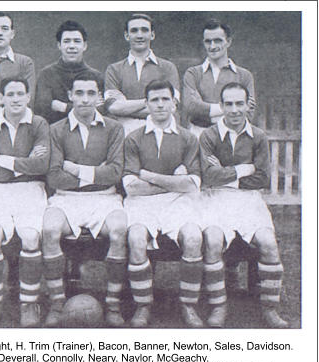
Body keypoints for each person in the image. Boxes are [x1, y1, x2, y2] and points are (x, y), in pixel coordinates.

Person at [199, 82, 288, 328]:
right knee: (214, 240)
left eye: (240, 103)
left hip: (249, 199)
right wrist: (243, 168)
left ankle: (270, 308)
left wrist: (225, 173)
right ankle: (219, 306)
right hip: (216, 198)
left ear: (248, 105)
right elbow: (207, 177)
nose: (235, 110)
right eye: (229, 104)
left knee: (269, 244)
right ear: (221, 106)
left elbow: (262, 178)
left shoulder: (258, 136)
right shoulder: (209, 135)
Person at [43, 71, 127, 327]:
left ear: (100, 98)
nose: (85, 99)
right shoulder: (55, 129)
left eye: (91, 93)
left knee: (120, 231)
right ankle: (57, 304)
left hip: (105, 198)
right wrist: (96, 172)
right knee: (48, 230)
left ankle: (113, 305)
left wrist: (75, 169)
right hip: (66, 198)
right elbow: (54, 177)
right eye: (79, 93)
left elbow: (114, 173)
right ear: (70, 96)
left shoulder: (114, 128)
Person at [122, 80, 206, 327]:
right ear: (146, 104)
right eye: (154, 100)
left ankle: (188, 305)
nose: (160, 104)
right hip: (141, 202)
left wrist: (148, 175)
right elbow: (131, 186)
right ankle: (142, 306)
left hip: (178, 202)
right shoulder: (133, 138)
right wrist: (174, 179)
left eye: (165, 99)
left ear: (174, 103)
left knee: (192, 237)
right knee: (136, 238)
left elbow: (191, 185)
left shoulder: (188, 138)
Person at [0, 77, 50, 328]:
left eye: (21, 93)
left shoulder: (39, 124)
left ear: (28, 97)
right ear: (3, 98)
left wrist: (3, 160)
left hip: (31, 190)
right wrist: (24, 164)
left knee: (31, 238)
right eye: (10, 94)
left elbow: (42, 166)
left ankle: (29, 303)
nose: (16, 98)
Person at [104, 13, 180, 135]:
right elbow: (113, 107)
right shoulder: (114, 69)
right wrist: (152, 101)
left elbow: (170, 107)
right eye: (134, 31)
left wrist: (126, 107)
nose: (139, 35)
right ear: (127, 35)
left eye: (144, 30)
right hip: (125, 133)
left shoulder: (168, 68)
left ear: (152, 34)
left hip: (160, 132)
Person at [183, 19, 256, 138]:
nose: (212, 46)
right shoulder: (193, 73)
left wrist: (204, 109)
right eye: (208, 41)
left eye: (217, 41)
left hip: (231, 136)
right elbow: (191, 108)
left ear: (228, 42)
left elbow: (248, 114)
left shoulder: (244, 75)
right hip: (198, 135)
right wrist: (232, 108)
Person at [35, 20, 103, 124]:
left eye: (77, 41)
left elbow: (101, 111)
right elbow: (43, 108)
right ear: (59, 45)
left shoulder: (96, 76)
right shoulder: (46, 75)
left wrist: (63, 107)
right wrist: (85, 108)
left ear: (84, 45)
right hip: (54, 134)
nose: (72, 46)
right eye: (67, 41)